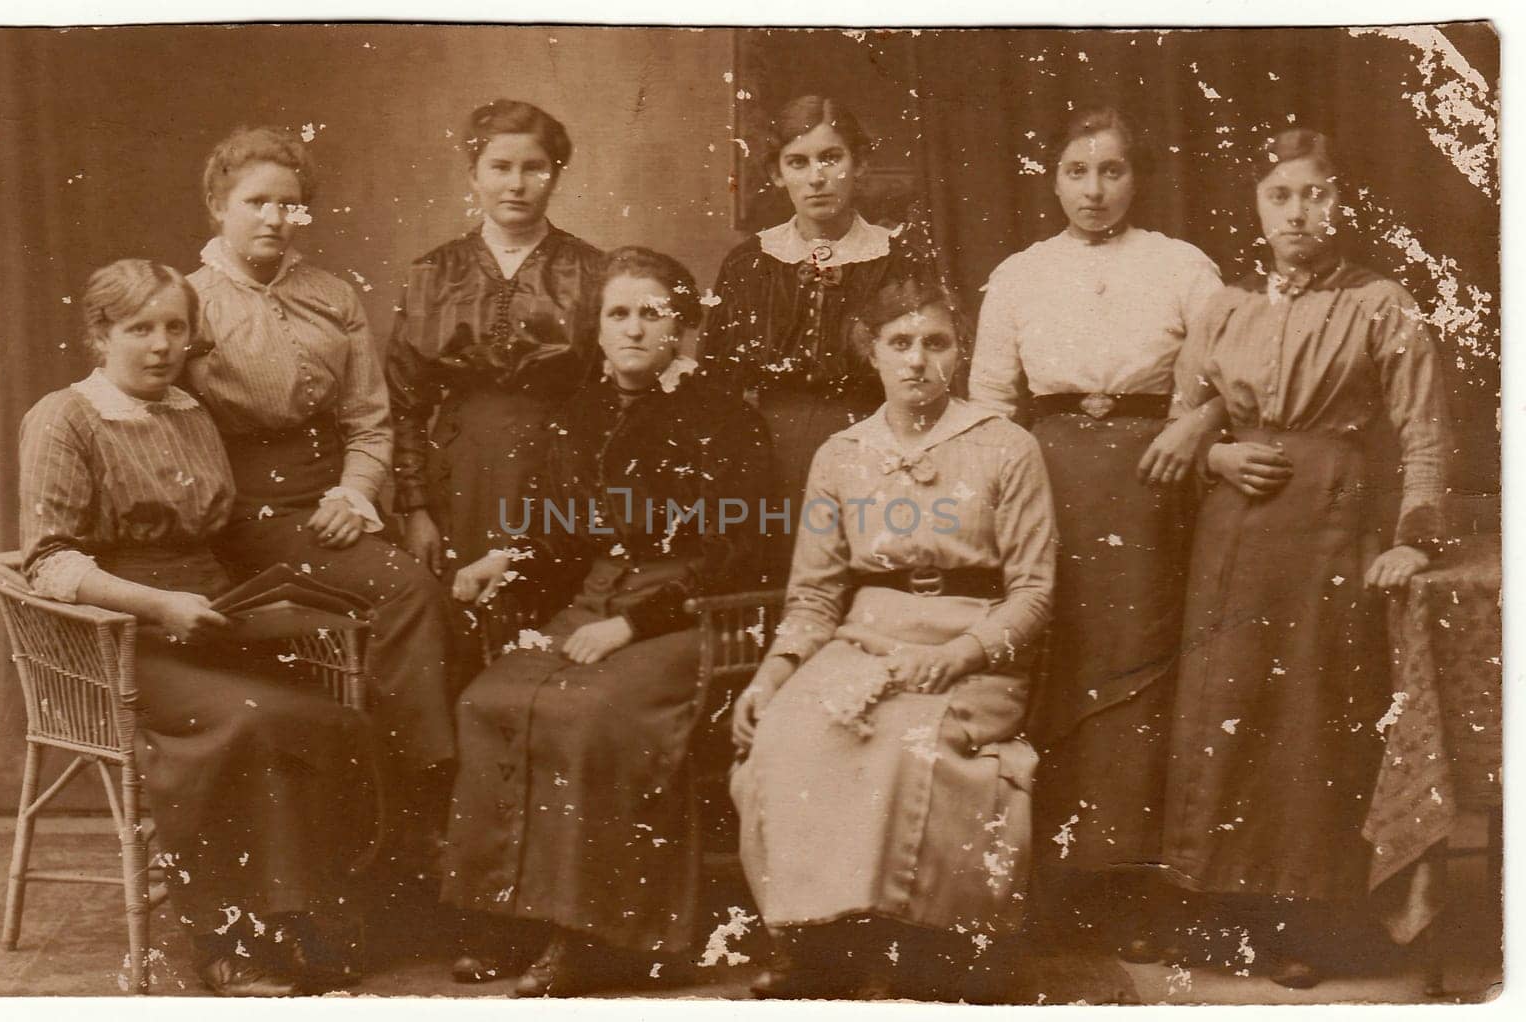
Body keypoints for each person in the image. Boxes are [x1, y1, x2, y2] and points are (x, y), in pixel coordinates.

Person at [19, 259, 378, 996]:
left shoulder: (188, 410)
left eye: (175, 327)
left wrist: (278, 596)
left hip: (210, 617)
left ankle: (299, 924)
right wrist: (157, 607)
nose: (160, 345)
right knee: (252, 722)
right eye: (139, 328)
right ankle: (225, 945)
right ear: (99, 335)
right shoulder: (66, 417)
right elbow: (50, 564)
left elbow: (221, 539)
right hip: (117, 639)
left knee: (325, 719)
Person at [438, 247, 773, 997]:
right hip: (594, 597)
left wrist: (634, 626)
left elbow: (737, 552)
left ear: (680, 325)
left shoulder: (724, 417)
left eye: (650, 313)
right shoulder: (582, 413)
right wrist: (509, 562)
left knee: (590, 712)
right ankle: (512, 922)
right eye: (617, 313)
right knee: (487, 701)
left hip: (687, 615)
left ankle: (595, 938)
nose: (631, 328)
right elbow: (561, 538)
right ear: (597, 328)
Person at [1161, 128, 1449, 989]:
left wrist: (1411, 538)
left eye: (1315, 194)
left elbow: (1424, 431)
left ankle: (1300, 922)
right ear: (1257, 207)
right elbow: (1190, 412)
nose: (1298, 212)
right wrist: (1216, 455)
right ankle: (1215, 919)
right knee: (1225, 711)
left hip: (1329, 527)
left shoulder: (1380, 303)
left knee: (1306, 719)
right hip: (1233, 532)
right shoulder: (1227, 306)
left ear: (1342, 202)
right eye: (1280, 196)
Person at [731, 278, 1057, 1001]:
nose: (917, 361)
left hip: (972, 650)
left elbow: (1033, 592)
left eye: (935, 343)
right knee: (786, 736)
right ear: (870, 352)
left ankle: (897, 949)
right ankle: (811, 940)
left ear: (961, 352)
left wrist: (955, 655)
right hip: (865, 641)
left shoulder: (1007, 447)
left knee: (901, 748)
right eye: (899, 343)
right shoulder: (840, 454)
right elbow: (814, 597)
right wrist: (772, 674)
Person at [967, 105, 1224, 960]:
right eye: (1077, 171)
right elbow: (993, 402)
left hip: (1155, 481)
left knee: (1145, 668)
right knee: (1054, 658)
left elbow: (1238, 371)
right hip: (1049, 478)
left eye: (1111, 171)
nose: (1094, 189)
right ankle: (1054, 881)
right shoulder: (1019, 274)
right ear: (1053, 178)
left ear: (1136, 178)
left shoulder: (1183, 266)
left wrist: (1196, 426)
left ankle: (1138, 884)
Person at [183, 125, 458, 887]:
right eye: (256, 202)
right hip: (243, 512)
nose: (274, 218)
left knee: (420, 596)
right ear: (218, 206)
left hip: (332, 500)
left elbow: (369, 420)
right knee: (407, 594)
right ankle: (414, 807)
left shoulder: (331, 295)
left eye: (291, 205)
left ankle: (412, 807)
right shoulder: (189, 304)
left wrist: (354, 492)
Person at [698, 94, 941, 579]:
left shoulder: (899, 259)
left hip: (872, 449)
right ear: (776, 173)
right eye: (798, 162)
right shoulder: (749, 264)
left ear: (861, 163)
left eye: (831, 158)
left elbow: (929, 372)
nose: (816, 177)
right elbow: (715, 386)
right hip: (769, 455)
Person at [387, 99, 606, 575]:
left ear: (555, 175)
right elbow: (405, 403)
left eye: (534, 168)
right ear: (474, 174)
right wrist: (415, 507)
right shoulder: (433, 271)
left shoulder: (593, 270)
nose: (516, 184)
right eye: (500, 167)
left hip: (557, 469)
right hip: (459, 472)